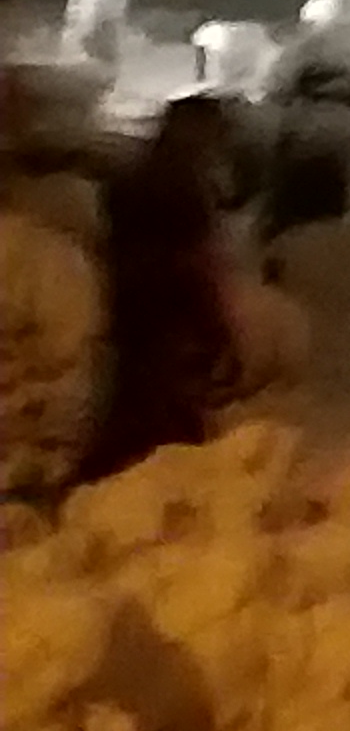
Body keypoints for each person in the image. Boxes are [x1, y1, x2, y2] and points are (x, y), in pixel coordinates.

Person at [81, 98, 254, 479]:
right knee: (167, 405)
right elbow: (197, 261)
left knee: (130, 397)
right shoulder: (185, 182)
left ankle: (109, 477)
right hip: (172, 307)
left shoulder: (130, 173)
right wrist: (220, 327)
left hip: (129, 298)